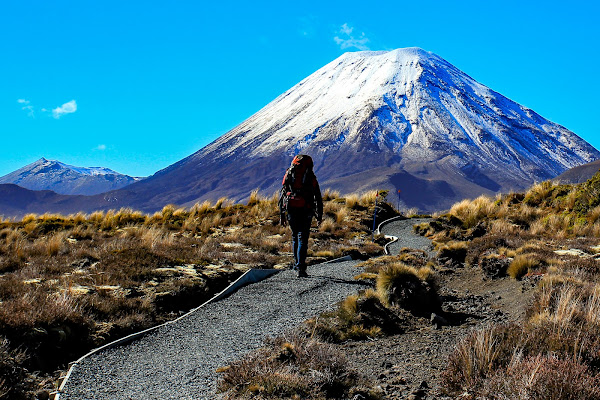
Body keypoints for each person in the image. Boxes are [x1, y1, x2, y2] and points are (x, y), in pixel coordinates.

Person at [279, 154, 323, 278]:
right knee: (302, 238)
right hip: (306, 209)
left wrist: (282, 214)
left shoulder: (289, 173)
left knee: (294, 237)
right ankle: (301, 268)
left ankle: (297, 264)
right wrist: (319, 215)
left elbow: (282, 194)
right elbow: (318, 197)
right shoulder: (310, 176)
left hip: (291, 209)